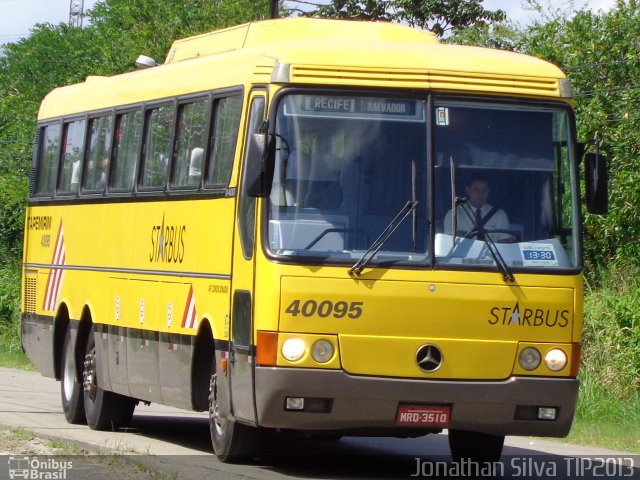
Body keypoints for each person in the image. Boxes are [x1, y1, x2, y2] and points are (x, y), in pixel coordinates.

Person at [443, 173, 512, 242]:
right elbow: (448, 246)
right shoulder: (453, 215)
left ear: (489, 191)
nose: (480, 194)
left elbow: (504, 244)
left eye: (484, 190)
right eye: (476, 189)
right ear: (467, 190)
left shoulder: (499, 215)